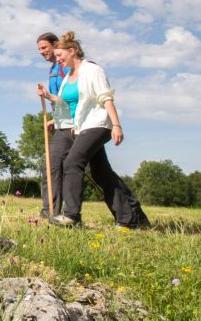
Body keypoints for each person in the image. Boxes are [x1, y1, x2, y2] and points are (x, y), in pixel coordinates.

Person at [39, 31, 149, 229]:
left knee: (73, 162)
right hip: (81, 127)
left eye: (60, 56)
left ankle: (72, 216)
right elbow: (65, 104)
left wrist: (116, 125)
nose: (58, 60)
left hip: (99, 124)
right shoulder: (68, 78)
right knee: (101, 173)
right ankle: (131, 218)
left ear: (72, 51)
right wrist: (49, 99)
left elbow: (105, 97)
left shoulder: (92, 70)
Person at [35, 32, 71, 218]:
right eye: (39, 49)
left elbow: (70, 97)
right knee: (100, 172)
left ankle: (50, 212)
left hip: (70, 124)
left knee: (51, 166)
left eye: (44, 48)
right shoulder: (53, 69)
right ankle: (130, 213)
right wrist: (54, 119)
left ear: (55, 45)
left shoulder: (65, 66)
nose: (41, 52)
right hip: (63, 122)